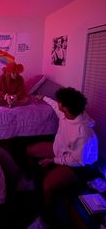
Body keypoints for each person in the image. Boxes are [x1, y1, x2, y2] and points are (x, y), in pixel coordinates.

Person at [26, 87, 98, 229]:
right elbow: (54, 105)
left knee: (47, 185)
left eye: (60, 103)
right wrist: (43, 98)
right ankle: (28, 183)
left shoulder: (83, 132)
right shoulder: (68, 113)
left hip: (79, 166)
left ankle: (45, 221)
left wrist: (53, 160)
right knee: (29, 151)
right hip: (61, 150)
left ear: (66, 107)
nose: (58, 104)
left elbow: (76, 160)